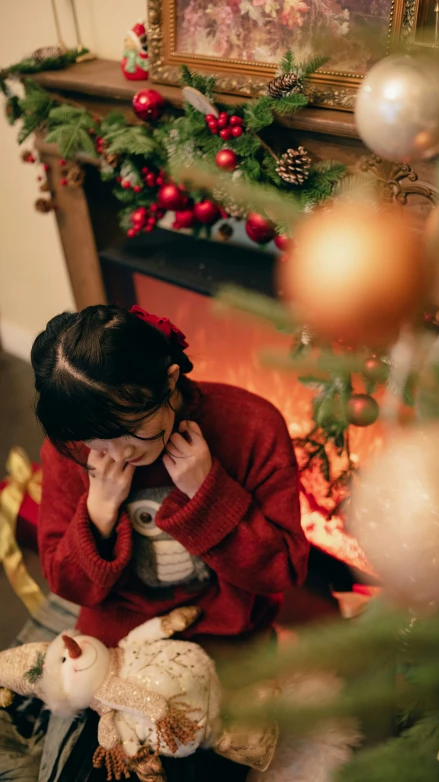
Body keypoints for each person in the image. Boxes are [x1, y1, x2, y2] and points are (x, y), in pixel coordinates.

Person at [30, 303, 308, 780]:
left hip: (227, 635)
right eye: (100, 444)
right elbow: (69, 584)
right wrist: (97, 512)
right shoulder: (73, 450)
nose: (121, 455)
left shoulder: (250, 425)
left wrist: (210, 493)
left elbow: (282, 572)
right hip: (117, 643)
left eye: (135, 431)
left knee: (202, 760)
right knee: (102, 765)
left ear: (171, 379)